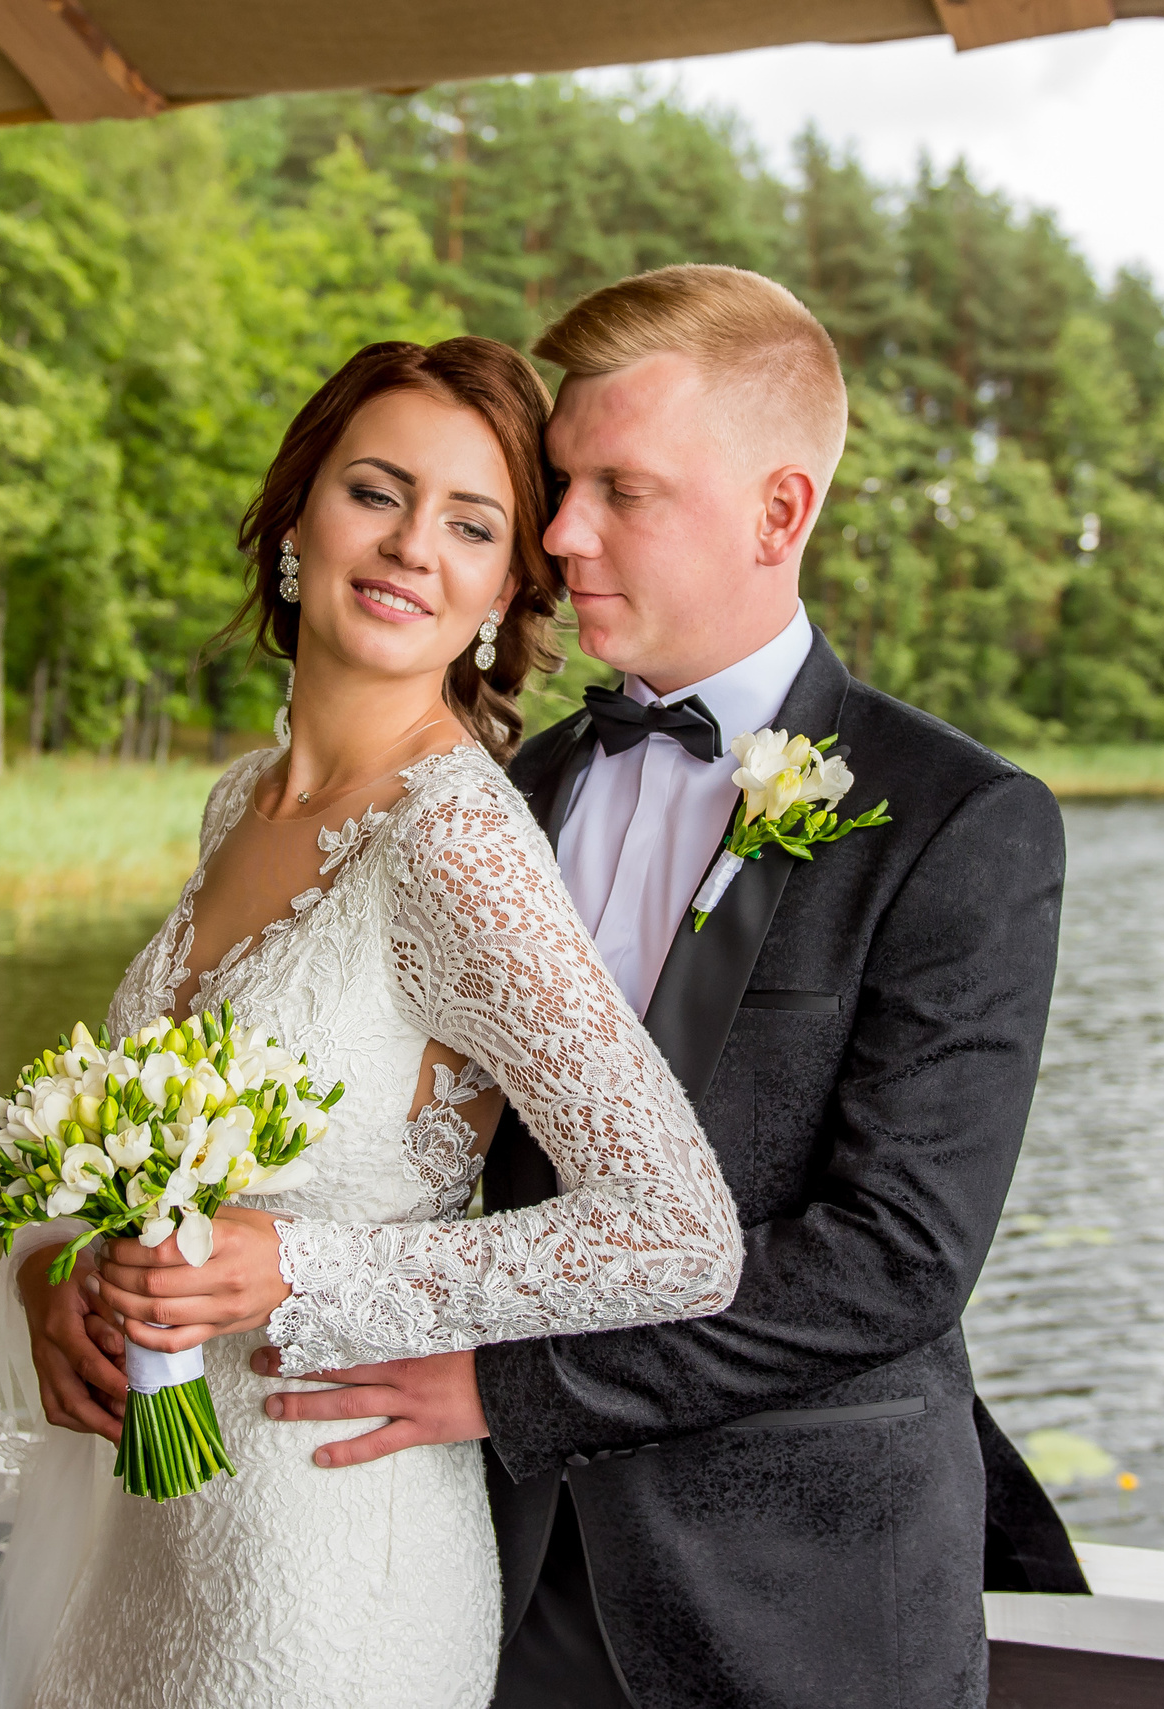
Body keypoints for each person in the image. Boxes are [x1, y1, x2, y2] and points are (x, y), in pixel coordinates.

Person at [249, 266, 1085, 1709]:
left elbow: (892, 1257)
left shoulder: (960, 821)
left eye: (622, 492)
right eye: (562, 484)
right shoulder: (507, 789)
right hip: (478, 1573)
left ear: (780, 513)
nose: (560, 535)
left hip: (793, 1605)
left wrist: (510, 1387)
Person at [0, 335, 743, 1709]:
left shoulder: (458, 840)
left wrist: (307, 1274)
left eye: (471, 522)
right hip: (154, 1532)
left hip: (329, 1552)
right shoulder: (239, 803)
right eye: (375, 492)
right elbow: (169, 1172)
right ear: (296, 517)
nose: (409, 547)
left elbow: (678, 1227)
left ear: (508, 587)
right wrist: (63, 1269)